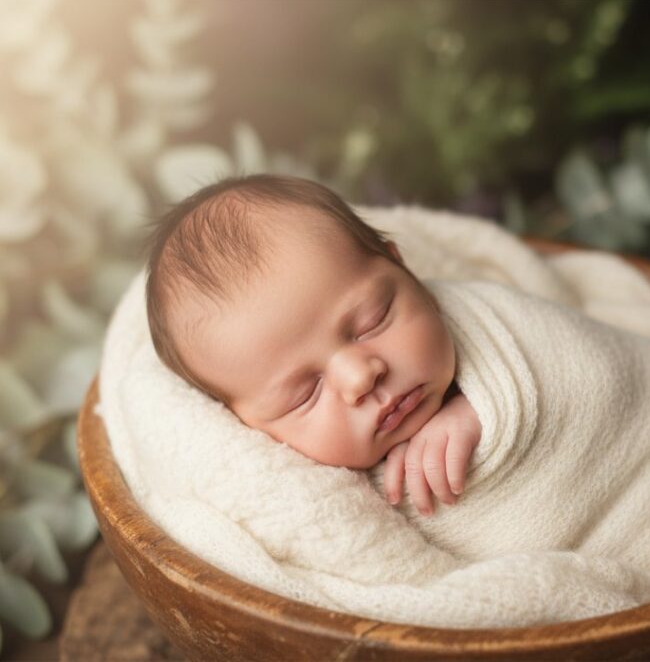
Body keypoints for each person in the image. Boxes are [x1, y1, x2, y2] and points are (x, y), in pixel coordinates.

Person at [145, 174, 481, 517]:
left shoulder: (485, 322)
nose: (360, 378)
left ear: (402, 268)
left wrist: (482, 410)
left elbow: (536, 346)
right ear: (247, 427)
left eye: (372, 322)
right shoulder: (313, 504)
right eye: (305, 394)